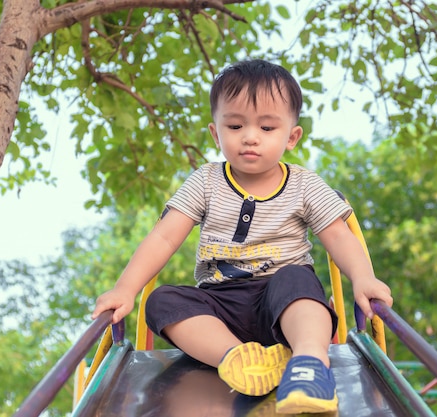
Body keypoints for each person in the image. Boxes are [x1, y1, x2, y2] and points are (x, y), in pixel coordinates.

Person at [92, 59, 393, 414]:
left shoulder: (303, 184)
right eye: (235, 125)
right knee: (161, 302)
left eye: (267, 127)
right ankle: (237, 359)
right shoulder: (205, 181)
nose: (250, 136)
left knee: (299, 281)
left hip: (283, 302)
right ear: (216, 134)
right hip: (221, 307)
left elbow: (338, 235)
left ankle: (309, 364)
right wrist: (126, 288)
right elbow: (164, 238)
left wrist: (363, 278)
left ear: (291, 137)